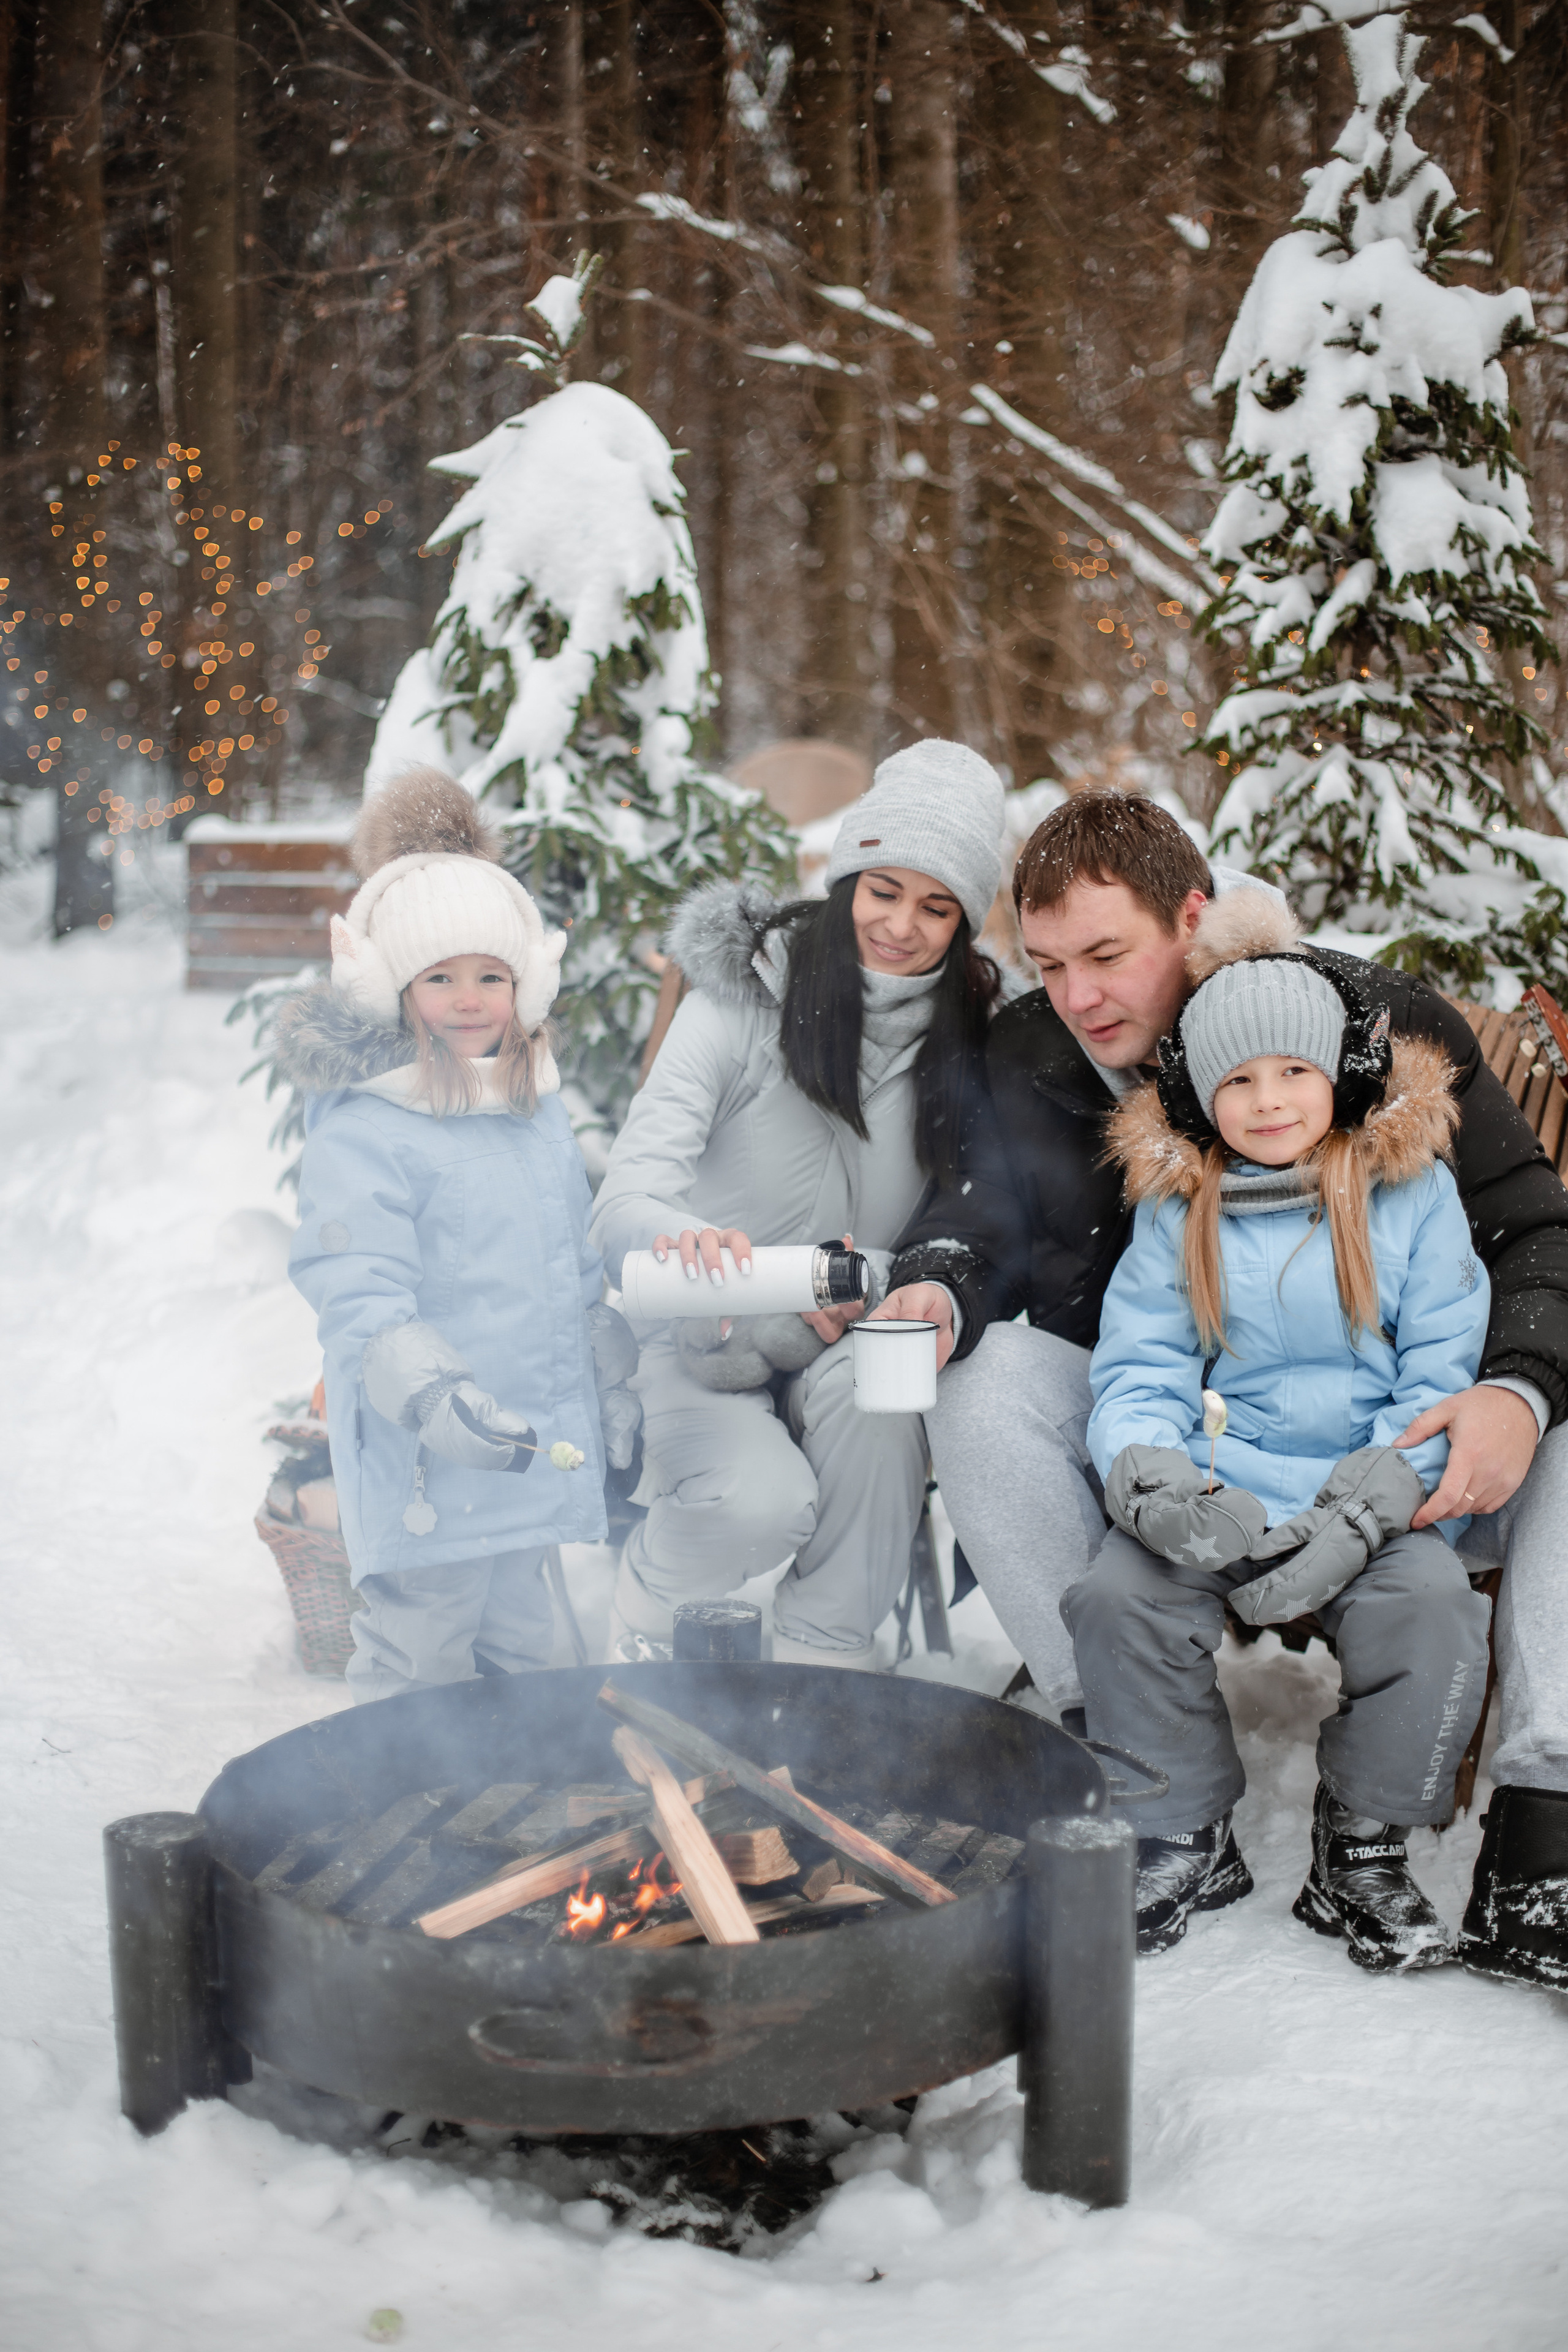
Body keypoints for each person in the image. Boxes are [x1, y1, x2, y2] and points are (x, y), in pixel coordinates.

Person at [878, 788, 1568, 1991]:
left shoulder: (1374, 1033)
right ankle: (1123, 1760)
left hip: (1394, 1444)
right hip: (1173, 1436)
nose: (1078, 997)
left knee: (1561, 1402)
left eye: (1106, 956)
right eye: (1048, 964)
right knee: (978, 1383)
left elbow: (1533, 1231)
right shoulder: (1032, 1053)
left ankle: (1544, 1826)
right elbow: (969, 1217)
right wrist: (938, 1278)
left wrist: (1514, 1390)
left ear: (1190, 919)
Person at [1068, 892, 1491, 1962]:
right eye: (1239, 1080)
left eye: (1293, 1071)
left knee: (1434, 1610)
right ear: (1203, 1097)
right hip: (1228, 1487)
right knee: (1120, 1598)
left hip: (1371, 1488)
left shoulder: (1411, 1193)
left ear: (1336, 1073)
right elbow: (1144, 1366)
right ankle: (1180, 1826)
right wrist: (1155, 1477)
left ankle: (1363, 1844)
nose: (1267, 1101)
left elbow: (1441, 1368)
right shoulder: (1180, 1206)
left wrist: (1377, 1498)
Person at [588, 739, 1005, 1668]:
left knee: (883, 1402)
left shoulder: (974, 1041)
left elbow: (971, 1221)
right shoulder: (739, 1002)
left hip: (850, 1334)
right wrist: (687, 1245)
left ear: (964, 922)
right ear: (847, 877)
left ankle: (828, 1669)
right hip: (703, 1337)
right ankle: (647, 1625)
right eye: (883, 890)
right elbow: (624, 1203)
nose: (902, 926)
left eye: (937, 907)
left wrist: (881, 1285)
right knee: (760, 1499)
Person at [281, 767, 639, 1701]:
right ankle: (399, 1787)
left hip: (522, 1453)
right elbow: (356, 1285)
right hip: (426, 1463)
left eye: (491, 976)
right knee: (423, 1658)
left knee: (530, 1653)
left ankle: (521, 1785)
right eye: (440, 978)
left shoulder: (531, 1107)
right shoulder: (366, 1123)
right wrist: (433, 1394)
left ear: (526, 984)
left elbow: (568, 1266)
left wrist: (603, 1368)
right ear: (395, 990)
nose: (470, 998)